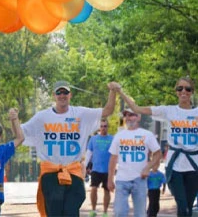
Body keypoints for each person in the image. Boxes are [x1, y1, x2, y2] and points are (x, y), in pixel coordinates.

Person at [21, 80, 118, 217]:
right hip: (50, 174)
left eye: (65, 92)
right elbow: (21, 132)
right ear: (53, 95)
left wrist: (113, 91)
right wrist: (13, 120)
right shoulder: (42, 117)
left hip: (73, 172)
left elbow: (108, 110)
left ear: (70, 95)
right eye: (59, 92)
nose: (62, 95)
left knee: (71, 211)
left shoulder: (81, 113)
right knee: (54, 212)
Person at [117, 77, 198, 217]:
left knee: (189, 209)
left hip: (194, 166)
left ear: (192, 92)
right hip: (175, 166)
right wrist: (120, 91)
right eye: (180, 88)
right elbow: (137, 109)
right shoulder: (168, 111)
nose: (183, 91)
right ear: (176, 91)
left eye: (187, 88)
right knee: (183, 206)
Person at [107, 108, 162, 217]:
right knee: (119, 212)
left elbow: (158, 153)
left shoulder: (147, 134)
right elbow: (113, 158)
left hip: (140, 179)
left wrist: (148, 167)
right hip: (121, 179)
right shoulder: (119, 135)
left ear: (139, 117)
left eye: (132, 115)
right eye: (126, 115)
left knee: (140, 214)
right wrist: (110, 179)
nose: (129, 118)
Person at [85, 119, 113, 217]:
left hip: (108, 170)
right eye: (101, 126)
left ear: (107, 127)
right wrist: (85, 166)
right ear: (99, 127)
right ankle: (93, 210)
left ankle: (105, 212)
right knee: (93, 189)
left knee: (107, 190)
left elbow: (116, 154)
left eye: (105, 126)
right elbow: (89, 153)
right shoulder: (93, 139)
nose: (103, 128)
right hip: (96, 169)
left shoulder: (112, 139)